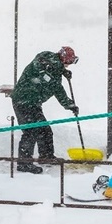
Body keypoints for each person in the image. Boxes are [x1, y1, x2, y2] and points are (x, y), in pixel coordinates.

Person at [11, 46, 79, 174]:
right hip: (23, 100)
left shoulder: (55, 70)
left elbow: (56, 85)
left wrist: (69, 104)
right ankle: (24, 164)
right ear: (63, 59)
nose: (69, 66)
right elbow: (41, 66)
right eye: (69, 62)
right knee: (30, 131)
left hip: (33, 103)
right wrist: (57, 71)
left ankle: (46, 156)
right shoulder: (45, 59)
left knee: (44, 130)